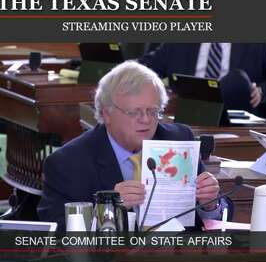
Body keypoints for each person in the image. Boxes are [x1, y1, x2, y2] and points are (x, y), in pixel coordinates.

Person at [38, 61, 232, 231]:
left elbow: (223, 213)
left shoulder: (179, 140)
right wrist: (108, 211)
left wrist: (209, 204)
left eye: (153, 111)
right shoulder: (67, 163)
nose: (146, 120)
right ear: (106, 114)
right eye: (134, 112)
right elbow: (56, 232)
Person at [139, 43, 266, 119]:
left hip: (236, 117)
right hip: (187, 115)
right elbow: (145, 67)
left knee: (237, 80)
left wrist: (261, 90)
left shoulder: (259, 43)